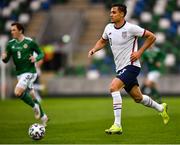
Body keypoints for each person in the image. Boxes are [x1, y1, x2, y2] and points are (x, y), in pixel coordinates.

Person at [88, 3, 169, 135]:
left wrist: (139, 53)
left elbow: (152, 37)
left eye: (114, 12)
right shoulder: (108, 28)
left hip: (132, 66)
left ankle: (117, 125)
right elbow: (102, 41)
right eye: (111, 12)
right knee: (138, 98)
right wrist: (94, 49)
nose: (111, 14)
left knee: (113, 87)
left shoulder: (131, 28)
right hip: (120, 68)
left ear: (122, 14)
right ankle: (161, 108)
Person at [1, 22, 48, 127]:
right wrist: (4, 58)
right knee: (32, 95)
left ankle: (34, 107)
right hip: (19, 74)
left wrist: (36, 58)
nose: (11, 31)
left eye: (14, 30)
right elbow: (6, 60)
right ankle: (43, 117)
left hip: (30, 72)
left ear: (20, 30)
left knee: (17, 92)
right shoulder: (10, 44)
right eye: (11, 30)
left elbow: (41, 53)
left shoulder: (30, 42)